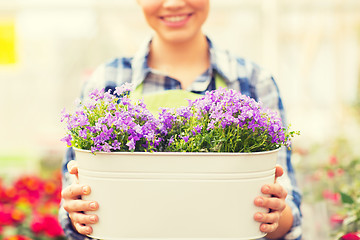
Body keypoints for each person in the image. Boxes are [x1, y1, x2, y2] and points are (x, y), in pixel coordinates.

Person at [59, 0, 302, 239]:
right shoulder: (106, 80)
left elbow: (289, 215)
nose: (174, 3)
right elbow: (75, 208)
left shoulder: (253, 80)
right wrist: (79, 211)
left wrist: (274, 214)